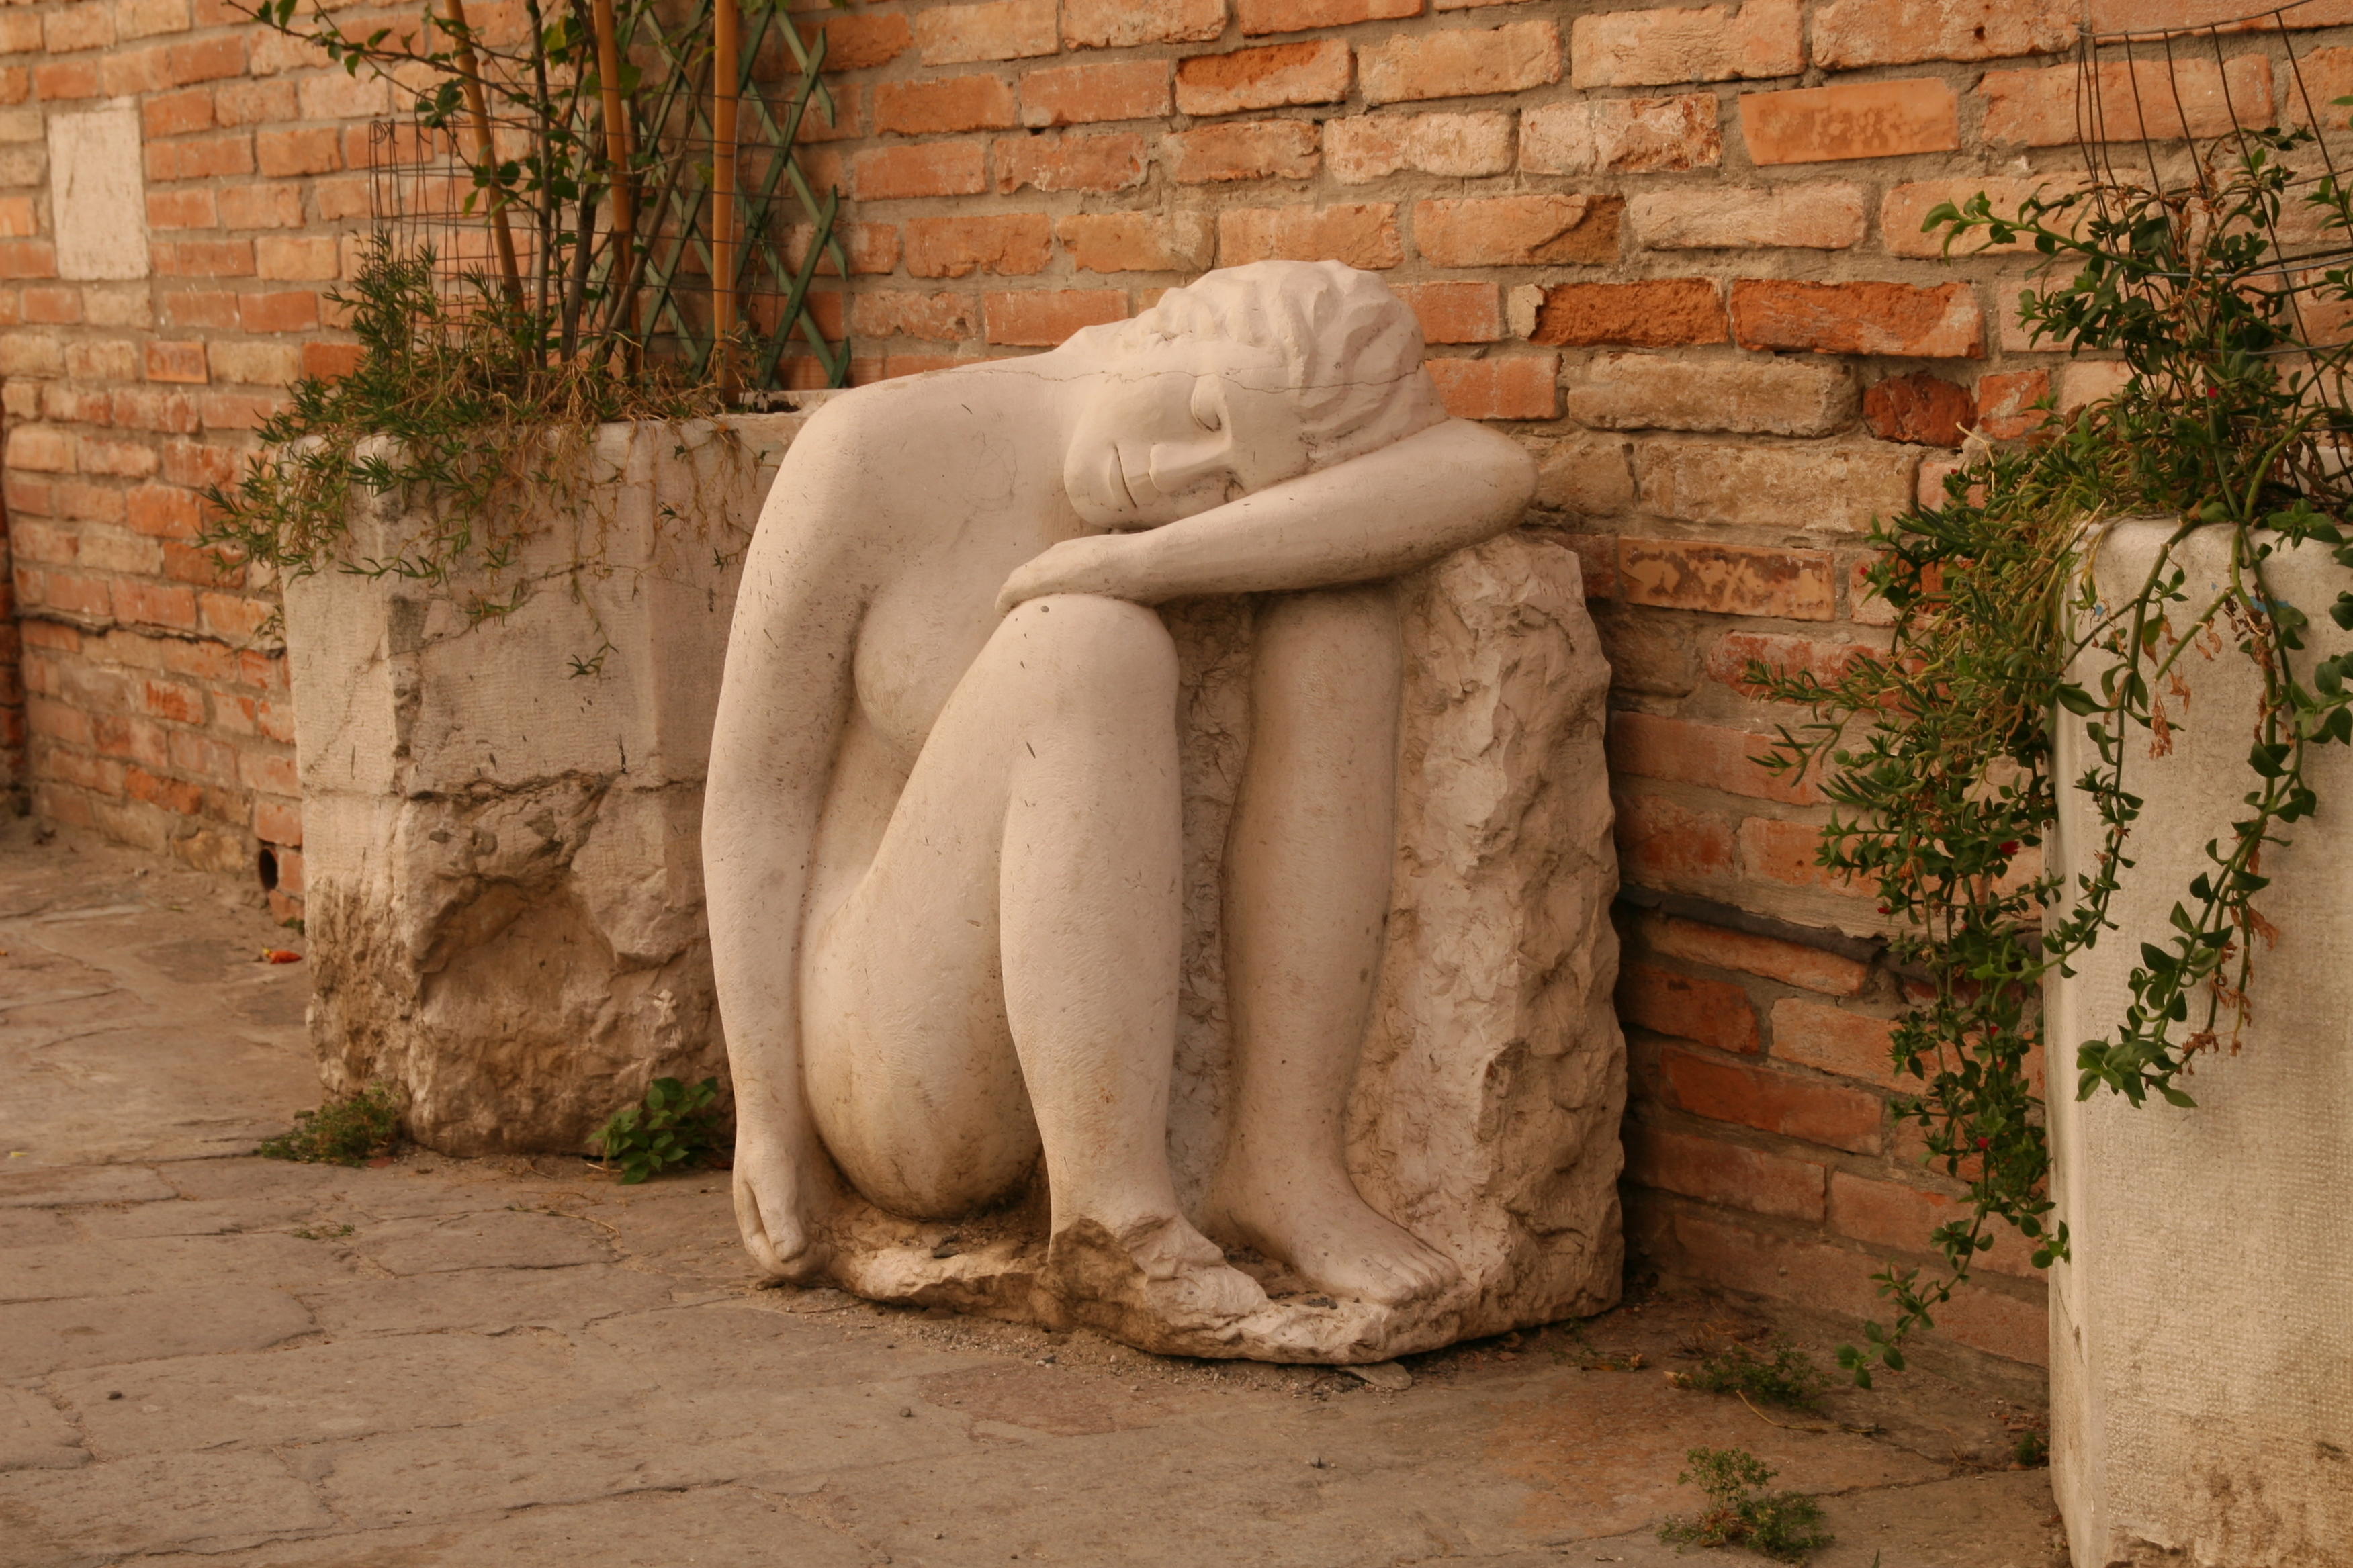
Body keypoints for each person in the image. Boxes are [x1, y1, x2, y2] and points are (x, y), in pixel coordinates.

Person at [705, 261, 1536, 1333]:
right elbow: (759, 796)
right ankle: (1115, 1220)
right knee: (1080, 643)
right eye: (1205, 416)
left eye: (1232, 487)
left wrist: (1145, 563)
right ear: (1164, 330)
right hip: (888, 1053)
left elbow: (1490, 472)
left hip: (1062, 1013)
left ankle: (1285, 1169)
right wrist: (765, 1122)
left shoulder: (1158, 514)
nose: (1176, 476)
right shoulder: (873, 450)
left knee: (1336, 614)